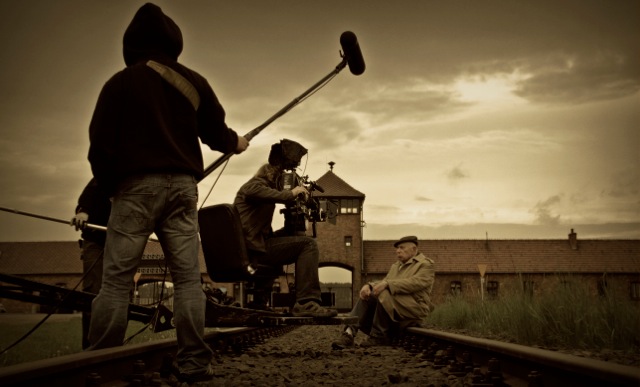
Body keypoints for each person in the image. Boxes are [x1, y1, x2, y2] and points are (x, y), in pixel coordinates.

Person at [86, 3, 249, 384]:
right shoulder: (194, 81)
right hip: (183, 190)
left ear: (131, 43)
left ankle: (100, 366)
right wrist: (237, 143)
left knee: (116, 282)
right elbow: (216, 135)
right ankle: (195, 364)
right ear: (173, 41)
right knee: (189, 280)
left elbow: (99, 149)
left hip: (133, 189)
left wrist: (114, 191)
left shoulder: (119, 83)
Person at [233, 141, 337, 318]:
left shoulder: (263, 186)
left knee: (292, 238)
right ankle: (306, 302)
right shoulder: (255, 184)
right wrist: (292, 193)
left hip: (256, 245)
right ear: (273, 174)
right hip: (252, 249)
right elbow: (260, 192)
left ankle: (260, 302)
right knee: (308, 245)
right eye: (282, 175)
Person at [332, 236, 435, 349]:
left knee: (383, 293)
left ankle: (378, 336)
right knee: (367, 296)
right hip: (396, 305)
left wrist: (387, 284)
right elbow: (385, 281)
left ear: (414, 249)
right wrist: (369, 286)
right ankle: (348, 334)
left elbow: (415, 283)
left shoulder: (425, 264)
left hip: (415, 307)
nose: (398, 251)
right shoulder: (396, 266)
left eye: (402, 247)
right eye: (397, 248)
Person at [70, 178, 111, 350]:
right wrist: (83, 211)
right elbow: (91, 190)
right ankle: (88, 346)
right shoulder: (107, 172)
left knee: (120, 294)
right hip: (95, 239)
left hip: (122, 242)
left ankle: (112, 344)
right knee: (93, 292)